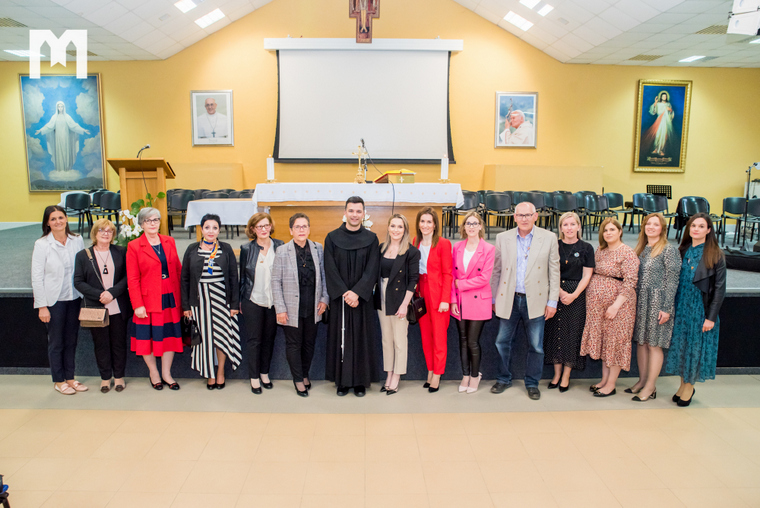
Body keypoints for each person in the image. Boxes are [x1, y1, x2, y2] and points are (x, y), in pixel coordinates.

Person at [490, 202, 559, 400]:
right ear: (514, 217)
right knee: (501, 342)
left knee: (536, 346)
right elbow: (496, 270)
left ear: (536, 216)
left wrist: (552, 301)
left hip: (536, 300)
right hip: (509, 298)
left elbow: (554, 272)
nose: (524, 219)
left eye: (528, 215)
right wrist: (494, 297)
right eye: (520, 215)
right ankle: (503, 379)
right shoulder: (503, 238)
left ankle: (532, 383)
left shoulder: (549, 238)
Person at [665, 213, 726, 407]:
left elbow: (719, 289)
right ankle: (683, 384)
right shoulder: (683, 250)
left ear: (709, 230)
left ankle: (689, 387)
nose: (696, 229)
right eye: (693, 226)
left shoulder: (715, 254)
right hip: (682, 306)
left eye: (701, 226)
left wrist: (711, 317)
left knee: (694, 349)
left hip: (700, 309)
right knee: (682, 347)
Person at [323, 196, 380, 396]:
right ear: (345, 212)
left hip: (361, 300)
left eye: (358, 211)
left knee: (361, 339)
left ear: (364, 214)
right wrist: (344, 292)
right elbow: (329, 268)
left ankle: (360, 382)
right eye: (351, 211)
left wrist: (357, 292)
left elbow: (372, 268)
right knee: (341, 338)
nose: (354, 215)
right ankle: (342, 381)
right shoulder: (332, 238)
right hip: (341, 299)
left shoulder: (371, 239)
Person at [580, 218, 640, 397]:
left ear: (620, 231)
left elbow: (630, 282)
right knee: (605, 342)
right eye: (605, 230)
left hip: (619, 306)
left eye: (612, 229)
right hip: (598, 306)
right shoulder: (600, 250)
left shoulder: (628, 253)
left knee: (615, 342)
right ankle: (604, 380)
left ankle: (611, 385)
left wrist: (615, 306)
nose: (608, 233)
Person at [272, 213, 329, 397]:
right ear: (291, 230)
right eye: (297, 227)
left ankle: (305, 374)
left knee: (309, 343)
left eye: (305, 226)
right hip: (290, 308)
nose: (301, 230)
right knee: (294, 344)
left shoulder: (318, 248)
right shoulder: (282, 251)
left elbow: (324, 276)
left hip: (313, 306)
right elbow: (275, 281)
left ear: (309, 229)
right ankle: (298, 379)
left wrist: (324, 299)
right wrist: (280, 308)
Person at [181, 214, 241, 390]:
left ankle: (220, 371)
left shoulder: (226, 248)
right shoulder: (192, 249)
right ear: (201, 229)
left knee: (222, 336)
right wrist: (186, 306)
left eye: (215, 228)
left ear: (219, 230)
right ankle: (210, 374)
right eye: (207, 227)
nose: (211, 231)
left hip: (222, 300)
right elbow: (184, 279)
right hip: (199, 302)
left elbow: (233, 277)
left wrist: (234, 304)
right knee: (205, 339)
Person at [32, 205, 87, 395]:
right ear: (47, 223)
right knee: (56, 343)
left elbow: (83, 268)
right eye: (53, 219)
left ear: (66, 219)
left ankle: (70, 378)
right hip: (53, 301)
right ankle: (59, 380)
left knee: (71, 341)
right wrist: (42, 306)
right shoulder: (42, 244)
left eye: (61, 217)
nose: (58, 222)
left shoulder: (77, 240)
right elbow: (36, 276)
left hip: (74, 297)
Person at [126, 207, 183, 390]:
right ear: (141, 224)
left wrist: (183, 299)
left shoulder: (169, 241)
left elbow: (178, 270)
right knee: (147, 339)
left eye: (156, 220)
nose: (152, 223)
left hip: (170, 296)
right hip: (148, 300)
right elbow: (132, 278)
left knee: (169, 337)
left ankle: (166, 373)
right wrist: (137, 304)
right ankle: (154, 373)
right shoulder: (134, 246)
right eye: (148, 220)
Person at [628, 213, 681, 402]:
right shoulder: (641, 249)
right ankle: (642, 381)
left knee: (654, 344)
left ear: (662, 229)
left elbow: (673, 281)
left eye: (655, 224)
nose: (651, 227)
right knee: (641, 343)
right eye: (648, 224)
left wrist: (666, 308)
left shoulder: (668, 250)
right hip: (641, 300)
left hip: (658, 302)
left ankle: (651, 386)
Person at [73, 218, 130, 393]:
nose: (106, 233)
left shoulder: (121, 251)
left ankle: (119, 376)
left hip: (117, 305)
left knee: (119, 343)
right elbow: (78, 282)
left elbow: (128, 276)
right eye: (102, 230)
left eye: (109, 231)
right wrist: (100, 295)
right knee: (101, 344)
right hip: (96, 308)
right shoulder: (83, 256)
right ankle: (105, 378)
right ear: (94, 233)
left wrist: (112, 293)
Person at [543, 212, 594, 393]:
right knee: (555, 333)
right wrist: (560, 292)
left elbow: (587, 275)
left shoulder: (587, 248)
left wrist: (573, 295)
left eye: (573, 224)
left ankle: (566, 375)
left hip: (576, 295)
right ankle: (556, 374)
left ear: (579, 226)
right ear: (561, 228)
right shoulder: (554, 245)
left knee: (572, 335)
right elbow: (548, 272)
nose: (569, 228)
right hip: (555, 292)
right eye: (565, 225)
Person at [374, 214, 419, 395]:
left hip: (400, 298)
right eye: (393, 226)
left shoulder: (411, 251)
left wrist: (405, 304)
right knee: (386, 339)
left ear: (405, 229)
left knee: (399, 340)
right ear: (388, 227)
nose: (396, 230)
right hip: (382, 297)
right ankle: (389, 373)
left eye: (400, 227)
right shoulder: (381, 248)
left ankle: (397, 376)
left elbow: (413, 279)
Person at [451, 211, 494, 394]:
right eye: (468, 223)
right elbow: (452, 275)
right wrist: (453, 300)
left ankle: (475, 376)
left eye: (475, 223)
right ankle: (465, 375)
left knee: (472, 342)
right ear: (464, 227)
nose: (471, 226)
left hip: (478, 301)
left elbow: (484, 278)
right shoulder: (457, 247)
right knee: (462, 341)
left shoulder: (489, 249)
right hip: (460, 300)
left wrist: (461, 284)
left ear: (480, 226)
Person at [239, 212, 283, 393]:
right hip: (253, 300)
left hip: (274, 302)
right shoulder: (246, 249)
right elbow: (243, 277)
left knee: (269, 339)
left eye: (266, 225)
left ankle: (264, 373)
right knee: (254, 340)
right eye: (259, 226)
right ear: (253, 229)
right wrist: (240, 301)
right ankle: (254, 377)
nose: (264, 229)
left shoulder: (280, 246)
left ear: (271, 226)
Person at [413, 207, 452, 393]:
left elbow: (448, 273)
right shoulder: (416, 241)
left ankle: (437, 373)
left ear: (435, 225)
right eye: (422, 221)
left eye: (429, 222)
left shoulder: (443, 243)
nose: (425, 225)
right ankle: (430, 370)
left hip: (437, 295)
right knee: (426, 337)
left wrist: (445, 299)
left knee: (439, 337)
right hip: (421, 294)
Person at [34, 101, 90, 173]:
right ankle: (60, 169)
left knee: (66, 152)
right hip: (58, 138)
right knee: (59, 153)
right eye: (59, 107)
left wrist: (83, 130)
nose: (60, 108)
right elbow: (49, 126)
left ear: (64, 107)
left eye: (61, 107)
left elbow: (74, 126)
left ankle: (66, 169)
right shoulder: (54, 117)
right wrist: (40, 130)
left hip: (66, 138)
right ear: (57, 108)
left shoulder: (67, 117)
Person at [642, 91, 675, 157]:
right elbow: (653, 112)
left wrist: (670, 110)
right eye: (663, 96)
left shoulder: (668, 104)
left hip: (665, 122)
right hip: (659, 121)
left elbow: (671, 113)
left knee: (663, 136)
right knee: (657, 135)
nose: (664, 97)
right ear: (661, 97)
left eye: (665, 96)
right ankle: (656, 149)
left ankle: (661, 150)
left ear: (666, 97)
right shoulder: (658, 104)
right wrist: (655, 103)